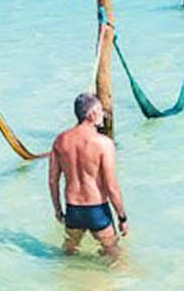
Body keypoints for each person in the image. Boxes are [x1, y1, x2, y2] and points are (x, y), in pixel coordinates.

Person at [48, 93, 128, 261]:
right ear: (91, 114)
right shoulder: (104, 144)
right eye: (100, 110)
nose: (103, 115)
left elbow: (53, 180)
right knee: (115, 257)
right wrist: (122, 217)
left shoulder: (60, 141)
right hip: (96, 209)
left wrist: (58, 210)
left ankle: (67, 283)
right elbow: (111, 186)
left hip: (73, 209)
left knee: (68, 253)